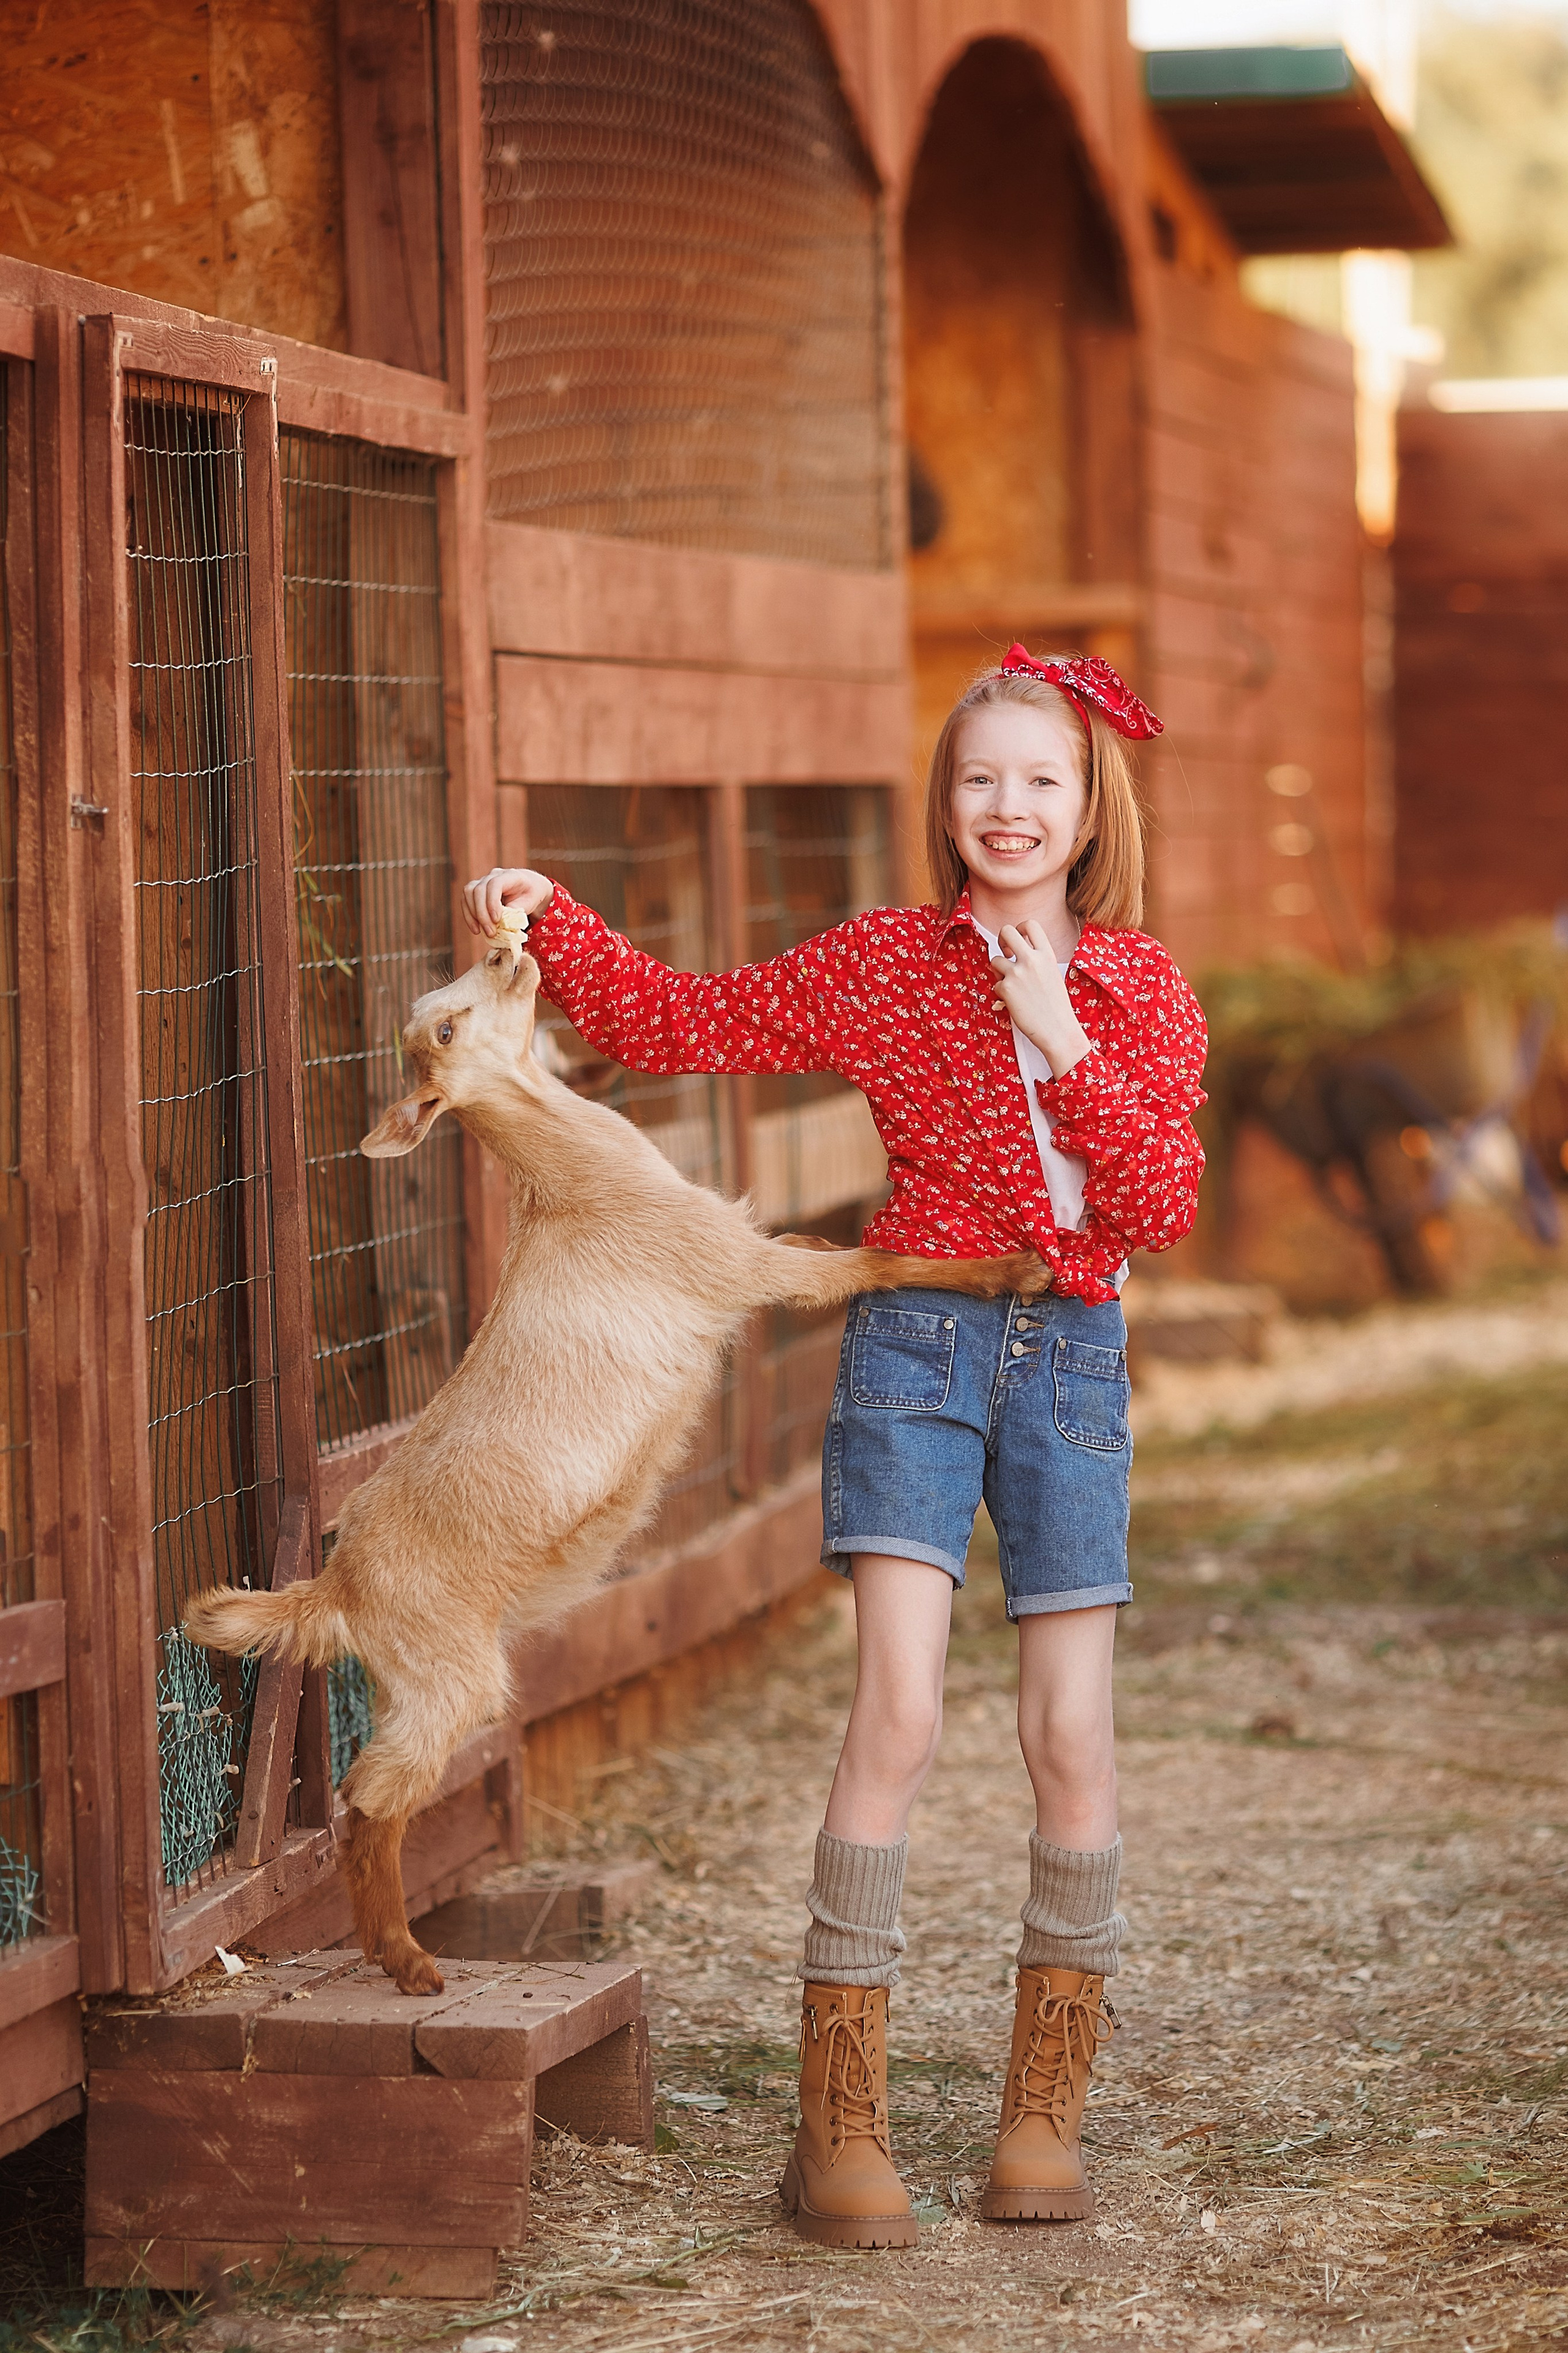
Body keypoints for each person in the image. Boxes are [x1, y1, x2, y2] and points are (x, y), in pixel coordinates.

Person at [461, 644, 1206, 2250]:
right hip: (916, 1346)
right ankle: (841, 2128)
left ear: (1089, 810)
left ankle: (1039, 2115)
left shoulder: (1139, 985)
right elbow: (682, 1022)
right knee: (902, 1706)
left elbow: (1158, 1205)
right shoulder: (883, 963)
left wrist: (1057, 1029)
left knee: (1069, 1732)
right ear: (945, 805)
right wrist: (561, 925)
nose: (1009, 808)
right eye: (980, 780)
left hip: (1072, 1356)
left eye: (1042, 782)